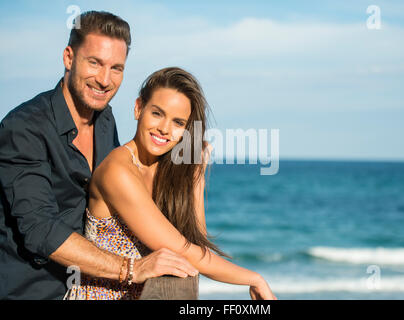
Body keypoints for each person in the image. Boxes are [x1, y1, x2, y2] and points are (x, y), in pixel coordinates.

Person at [0, 11, 196, 300]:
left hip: (94, 287)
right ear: (69, 58)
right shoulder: (23, 128)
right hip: (36, 291)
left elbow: (120, 201)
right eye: (95, 63)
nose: (105, 80)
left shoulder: (105, 119)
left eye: (116, 68)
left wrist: (193, 170)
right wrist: (132, 268)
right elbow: (41, 231)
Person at [65, 67, 277, 300]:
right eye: (157, 113)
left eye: (178, 122)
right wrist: (254, 278)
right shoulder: (118, 171)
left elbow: (195, 241)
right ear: (138, 108)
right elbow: (187, 252)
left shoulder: (162, 169)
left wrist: (196, 175)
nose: (164, 129)